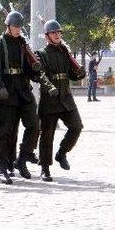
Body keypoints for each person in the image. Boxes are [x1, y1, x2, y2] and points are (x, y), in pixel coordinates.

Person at [0, 11, 54, 184]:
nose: (18, 30)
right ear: (8, 26)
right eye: (15, 26)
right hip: (7, 91)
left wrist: (35, 71)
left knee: (34, 125)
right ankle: (2, 168)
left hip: (23, 91)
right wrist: (0, 87)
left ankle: (22, 159)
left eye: (19, 27)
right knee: (6, 131)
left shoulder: (23, 44)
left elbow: (29, 69)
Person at [36, 20, 86, 181]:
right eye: (53, 33)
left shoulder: (65, 52)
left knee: (77, 126)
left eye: (59, 32)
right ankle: (44, 168)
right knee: (47, 134)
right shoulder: (41, 54)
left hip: (65, 97)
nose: (57, 35)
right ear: (47, 36)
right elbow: (41, 75)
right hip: (50, 98)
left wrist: (79, 73)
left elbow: (71, 74)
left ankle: (62, 152)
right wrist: (49, 86)